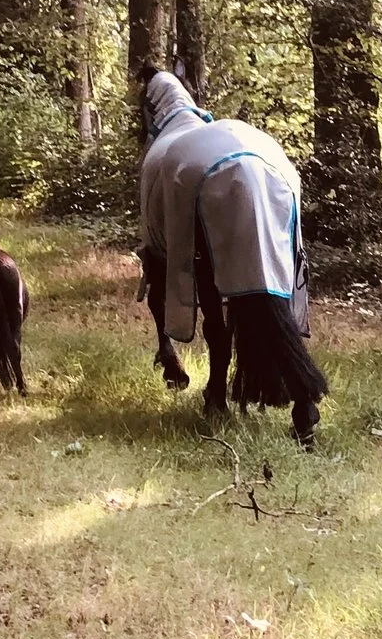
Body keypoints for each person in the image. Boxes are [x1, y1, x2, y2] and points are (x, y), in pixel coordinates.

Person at [137, 69, 328, 444]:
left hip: (196, 180)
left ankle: (218, 396)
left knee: (214, 294)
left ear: (149, 109)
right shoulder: (251, 140)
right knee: (270, 295)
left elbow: (155, 258)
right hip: (273, 171)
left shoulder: (167, 152)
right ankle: (302, 401)